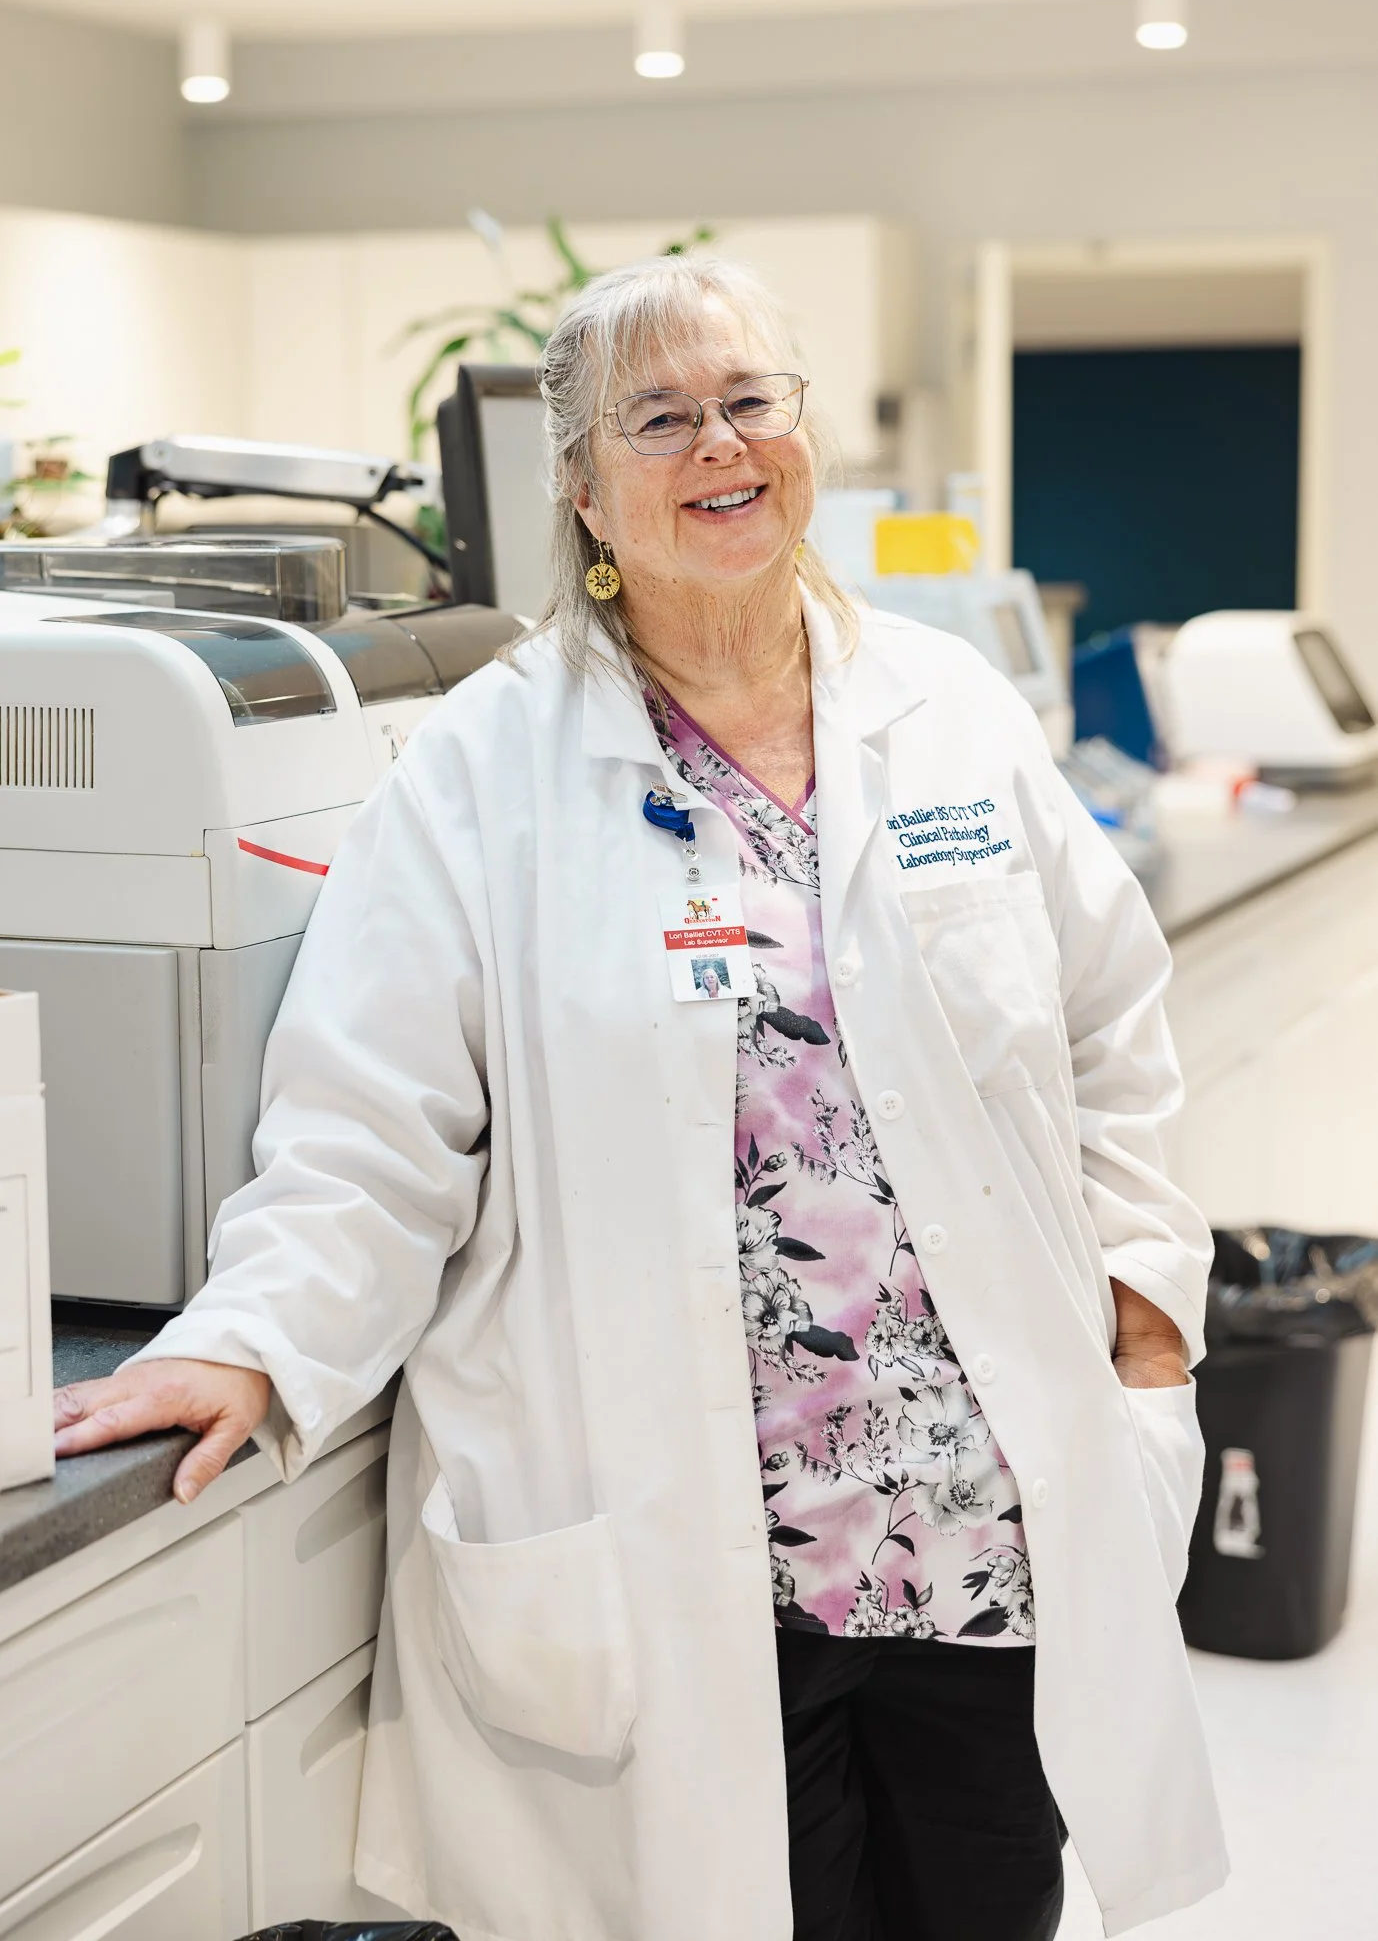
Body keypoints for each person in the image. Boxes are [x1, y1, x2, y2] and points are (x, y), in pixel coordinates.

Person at [53, 254, 1227, 1941]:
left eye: (749, 401)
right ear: (583, 486)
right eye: (659, 418)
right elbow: (369, 1136)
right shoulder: (475, 774)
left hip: (991, 1545)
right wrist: (251, 1338)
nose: (718, 446)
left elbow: (1115, 1028)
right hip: (696, 1570)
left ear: (800, 433)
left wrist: (1143, 1315)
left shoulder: (946, 712)